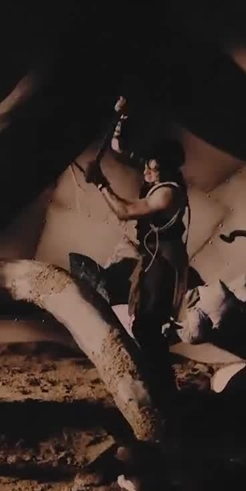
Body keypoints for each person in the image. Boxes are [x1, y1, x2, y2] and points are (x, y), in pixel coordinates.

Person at [86, 136, 191, 371]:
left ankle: (161, 381)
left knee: (147, 326)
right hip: (155, 259)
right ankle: (159, 377)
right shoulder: (160, 181)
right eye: (147, 166)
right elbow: (123, 151)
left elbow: (125, 211)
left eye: (153, 169)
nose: (146, 172)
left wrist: (101, 183)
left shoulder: (167, 193)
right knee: (145, 325)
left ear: (167, 169)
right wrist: (119, 128)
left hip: (163, 263)